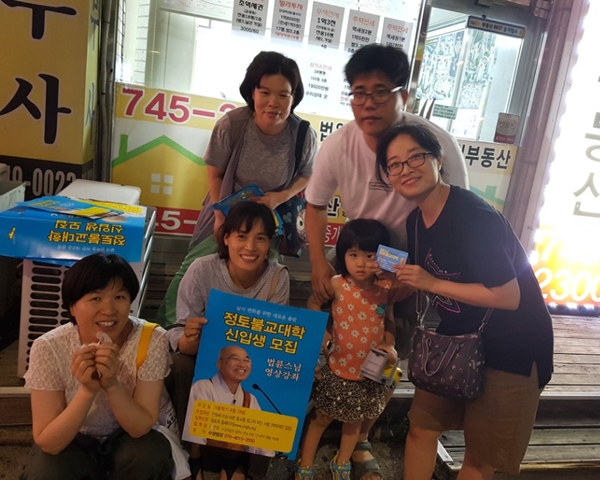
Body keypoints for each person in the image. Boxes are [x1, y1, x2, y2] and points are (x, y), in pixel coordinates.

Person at [304, 43, 469, 480]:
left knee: (388, 357)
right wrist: (319, 264)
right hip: (355, 264)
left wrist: (417, 280)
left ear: (404, 96)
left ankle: (360, 439)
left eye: (380, 92)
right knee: (335, 344)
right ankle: (323, 419)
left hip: (413, 268)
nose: (368, 103)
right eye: (359, 93)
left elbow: (455, 215)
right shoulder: (338, 145)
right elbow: (315, 204)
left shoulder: (436, 145)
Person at [375, 123, 554, 479]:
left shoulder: (474, 217)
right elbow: (430, 279)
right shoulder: (415, 221)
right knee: (422, 428)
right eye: (395, 164)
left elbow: (508, 296)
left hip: (512, 348)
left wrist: (431, 282)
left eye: (415, 157)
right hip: (454, 340)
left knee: (479, 456)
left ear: (439, 160)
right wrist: (394, 283)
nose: (406, 169)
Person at [156, 50, 317, 328]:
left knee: (262, 280)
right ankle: (171, 334)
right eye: (265, 92)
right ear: (252, 92)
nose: (273, 103)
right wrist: (220, 217)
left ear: (294, 98)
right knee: (191, 272)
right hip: (227, 211)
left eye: (283, 95)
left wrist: (280, 197)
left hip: (270, 220)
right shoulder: (232, 125)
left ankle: (242, 338)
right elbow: (215, 173)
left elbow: (307, 174)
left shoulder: (302, 134)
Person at [164, 201, 289, 480]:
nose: (250, 247)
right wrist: (188, 340)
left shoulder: (277, 277)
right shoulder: (202, 269)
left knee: (275, 377)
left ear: (269, 243)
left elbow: (277, 338)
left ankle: (245, 465)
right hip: (206, 356)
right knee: (182, 366)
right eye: (242, 236)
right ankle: (192, 455)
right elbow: (177, 330)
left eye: (260, 238)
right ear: (226, 237)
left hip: (253, 361)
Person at [22, 253, 174, 480]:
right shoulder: (48, 347)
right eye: (96, 298)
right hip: (75, 440)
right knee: (46, 467)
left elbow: (140, 427)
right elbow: (49, 442)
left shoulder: (153, 339)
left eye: (119, 297)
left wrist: (112, 385)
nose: (109, 310)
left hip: (126, 438)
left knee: (149, 452)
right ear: (72, 307)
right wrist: (87, 390)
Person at [296, 219, 398, 480]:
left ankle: (342, 461)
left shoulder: (386, 289)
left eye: (369, 255)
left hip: (370, 372)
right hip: (338, 368)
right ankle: (305, 463)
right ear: (343, 255)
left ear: (382, 256)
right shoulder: (337, 283)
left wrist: (389, 344)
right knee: (321, 418)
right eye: (353, 255)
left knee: (355, 420)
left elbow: (389, 320)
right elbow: (313, 303)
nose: (361, 263)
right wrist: (323, 332)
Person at [185, 345, 274, 463]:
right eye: (235, 359)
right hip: (206, 461)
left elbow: (259, 439)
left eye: (246, 360)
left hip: (238, 464)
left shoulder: (249, 399)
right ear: (220, 364)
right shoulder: (203, 388)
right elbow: (194, 436)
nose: (242, 364)